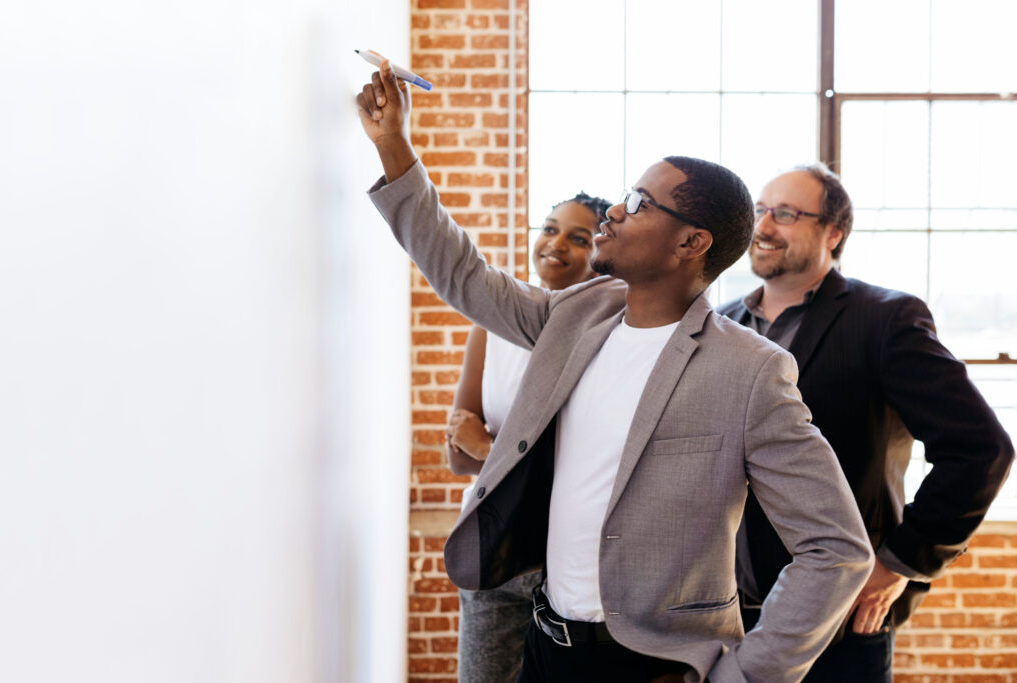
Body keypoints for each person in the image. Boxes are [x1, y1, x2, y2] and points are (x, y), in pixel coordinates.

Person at [357, 61, 874, 682]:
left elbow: (837, 549)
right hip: (546, 646)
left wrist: (746, 675)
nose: (614, 212)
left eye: (638, 203)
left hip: (653, 664)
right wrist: (394, 145)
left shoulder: (750, 370)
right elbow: (465, 277)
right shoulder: (577, 315)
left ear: (691, 243)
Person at [718, 163, 1015, 682]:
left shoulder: (885, 319)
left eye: (785, 214)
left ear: (833, 233)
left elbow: (981, 450)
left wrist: (902, 562)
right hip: (723, 615)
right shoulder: (721, 326)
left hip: (837, 618)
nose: (763, 227)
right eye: (760, 211)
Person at [447, 192, 609, 683]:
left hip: (565, 562)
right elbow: (456, 455)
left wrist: (484, 448)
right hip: (490, 544)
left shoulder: (605, 338)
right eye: (550, 227)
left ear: (602, 257)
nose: (556, 243)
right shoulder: (491, 325)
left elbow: (581, 466)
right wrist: (477, 450)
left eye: (579, 238)